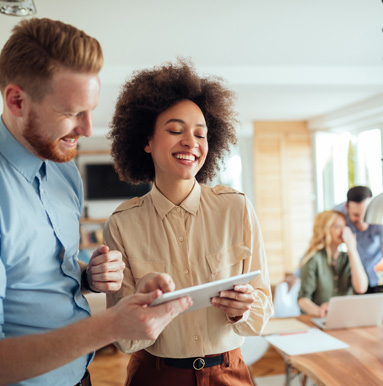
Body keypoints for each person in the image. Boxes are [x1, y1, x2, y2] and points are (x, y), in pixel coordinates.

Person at [0, 18, 191, 386]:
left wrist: (87, 277)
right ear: (16, 100)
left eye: (91, 110)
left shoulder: (65, 173)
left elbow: (39, 278)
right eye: (72, 113)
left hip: (80, 377)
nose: (88, 129)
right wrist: (111, 325)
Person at [104, 59, 273, 386]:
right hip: (155, 376)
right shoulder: (122, 224)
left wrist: (241, 310)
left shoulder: (236, 208)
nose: (191, 143)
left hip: (230, 373)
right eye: (174, 130)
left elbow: (262, 308)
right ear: (147, 141)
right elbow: (125, 340)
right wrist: (144, 309)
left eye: (200, 134)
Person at [297, 210, 368, 317]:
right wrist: (321, 312)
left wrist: (352, 249)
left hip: (345, 318)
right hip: (319, 321)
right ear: (325, 229)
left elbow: (361, 288)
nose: (343, 232)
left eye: (344, 227)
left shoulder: (347, 258)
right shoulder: (313, 259)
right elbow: (303, 300)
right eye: (338, 227)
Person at [334, 186, 383, 293]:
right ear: (346, 207)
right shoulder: (337, 214)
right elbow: (321, 240)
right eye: (356, 215)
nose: (361, 220)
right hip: (354, 273)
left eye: (365, 214)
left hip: (379, 272)